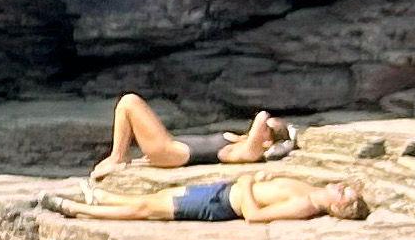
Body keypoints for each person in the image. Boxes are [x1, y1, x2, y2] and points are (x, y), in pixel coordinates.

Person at [75, 161, 371, 226]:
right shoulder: (310, 190)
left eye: (344, 194)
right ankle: (101, 198)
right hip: (223, 191)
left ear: (337, 209)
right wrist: (258, 178)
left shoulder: (305, 205)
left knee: (145, 210)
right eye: (345, 187)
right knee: (152, 198)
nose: (340, 186)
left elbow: (255, 215)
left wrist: (245, 185)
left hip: (221, 203)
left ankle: (80, 211)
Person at [95, 90, 290, 180]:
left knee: (129, 102)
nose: (262, 123)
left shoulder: (247, 152)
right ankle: (119, 156)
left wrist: (270, 121)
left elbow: (261, 119)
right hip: (170, 149)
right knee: (127, 103)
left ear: (267, 141)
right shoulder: (241, 141)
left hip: (170, 152)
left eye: (268, 129)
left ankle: (118, 157)